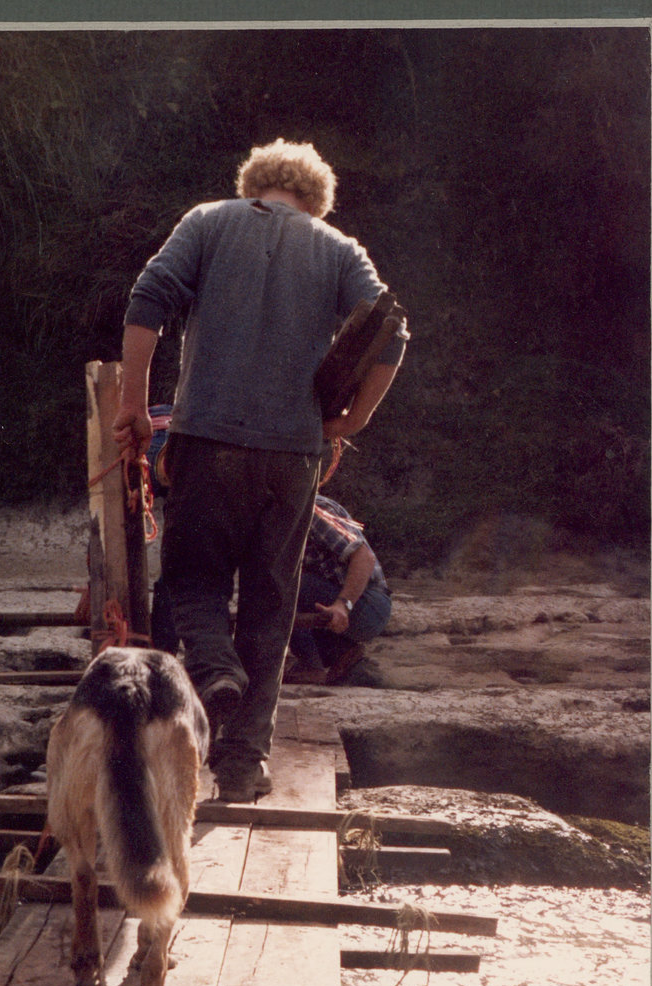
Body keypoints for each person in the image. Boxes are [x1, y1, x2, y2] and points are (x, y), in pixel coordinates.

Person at [112, 139, 406, 801]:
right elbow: (395, 333)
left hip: (206, 440)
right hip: (294, 455)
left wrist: (133, 403)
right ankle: (244, 766)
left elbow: (148, 298)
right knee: (271, 608)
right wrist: (352, 421)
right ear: (315, 198)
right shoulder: (340, 249)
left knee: (193, 578)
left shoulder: (208, 221)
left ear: (255, 184)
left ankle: (215, 668)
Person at [285, 494, 392, 685]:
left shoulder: (312, 510)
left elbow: (363, 557)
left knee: (285, 584)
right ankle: (342, 653)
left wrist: (343, 605)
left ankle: (311, 666)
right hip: (342, 603)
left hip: (368, 604)